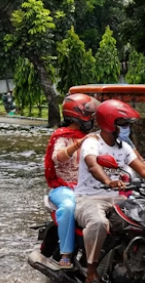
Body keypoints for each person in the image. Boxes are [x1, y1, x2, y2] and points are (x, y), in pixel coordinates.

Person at [74, 99, 145, 283]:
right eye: (123, 124)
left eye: (127, 125)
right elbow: (93, 165)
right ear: (109, 124)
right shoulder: (92, 142)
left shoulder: (124, 147)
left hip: (118, 199)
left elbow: (144, 170)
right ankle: (92, 272)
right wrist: (109, 180)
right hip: (90, 198)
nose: (126, 128)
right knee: (99, 223)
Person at [41, 94, 100, 271]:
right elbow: (57, 157)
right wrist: (77, 144)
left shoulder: (93, 138)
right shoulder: (62, 136)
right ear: (77, 115)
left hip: (87, 188)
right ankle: (66, 254)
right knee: (68, 206)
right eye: (88, 115)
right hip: (63, 187)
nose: (91, 119)